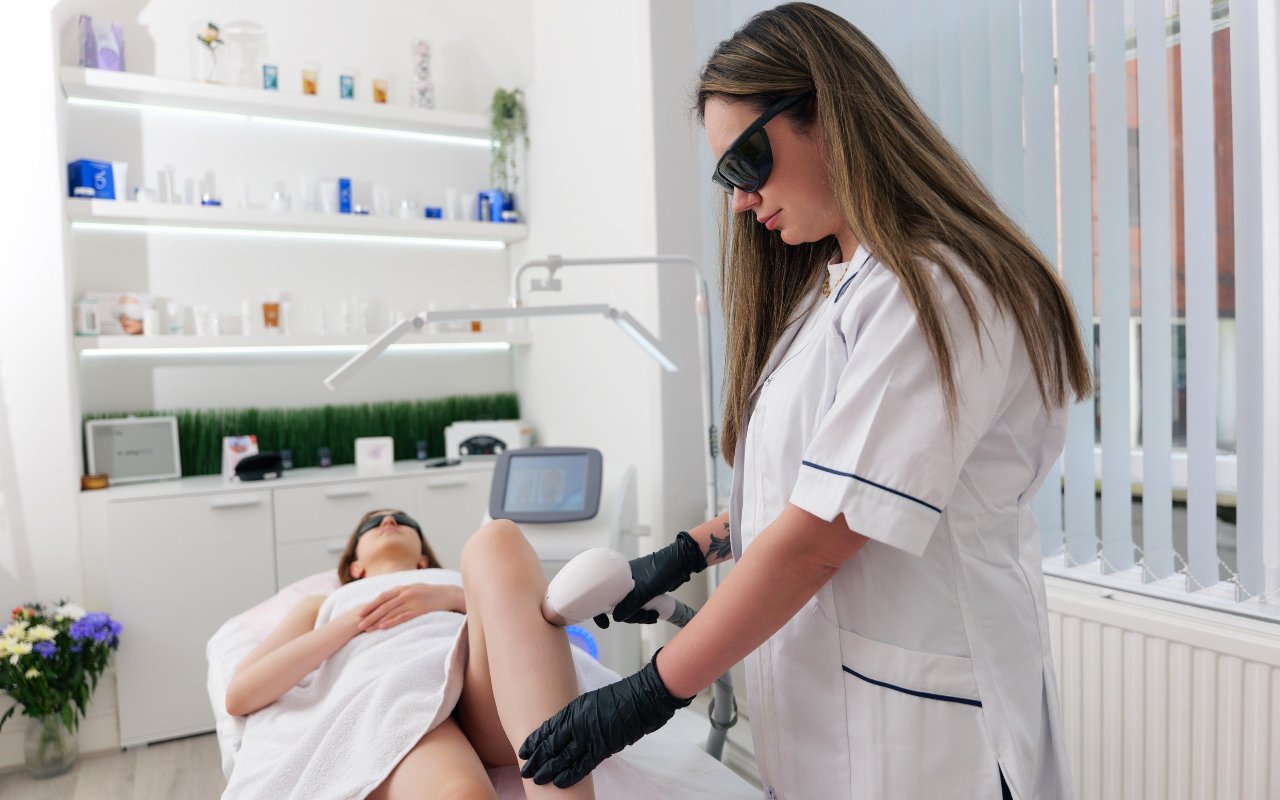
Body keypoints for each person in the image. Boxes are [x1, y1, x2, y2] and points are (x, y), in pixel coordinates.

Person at [518, 4, 1092, 798]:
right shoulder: (828, 297)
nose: (740, 201)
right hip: (835, 722)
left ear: (830, 112)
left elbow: (823, 534)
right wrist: (685, 554)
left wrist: (648, 693)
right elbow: (811, 487)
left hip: (931, 741)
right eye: (727, 177)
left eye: (747, 162)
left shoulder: (935, 287)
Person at [224, 509, 596, 800]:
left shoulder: (455, 581)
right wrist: (356, 619)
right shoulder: (328, 603)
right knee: (463, 795)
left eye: (403, 520)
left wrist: (451, 597)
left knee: (497, 536)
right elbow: (241, 694)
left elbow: (514, 621)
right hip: (398, 699)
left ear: (423, 559)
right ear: (355, 567)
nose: (388, 521)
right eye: (373, 523)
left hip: (485, 691)